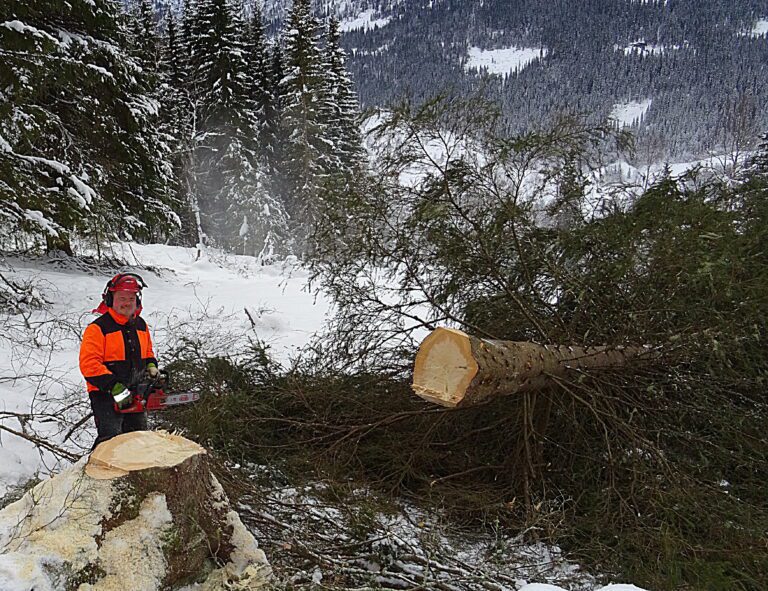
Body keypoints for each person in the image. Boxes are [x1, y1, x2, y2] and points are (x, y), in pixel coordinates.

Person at [79, 273, 159, 447]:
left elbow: (147, 351)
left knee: (137, 439)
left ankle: (135, 472)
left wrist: (151, 365)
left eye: (131, 298)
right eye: (122, 298)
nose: (127, 303)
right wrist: (113, 386)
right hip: (105, 393)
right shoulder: (98, 329)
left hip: (133, 390)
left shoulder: (140, 325)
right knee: (111, 440)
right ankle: (98, 471)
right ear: (110, 299)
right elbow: (89, 364)